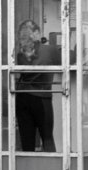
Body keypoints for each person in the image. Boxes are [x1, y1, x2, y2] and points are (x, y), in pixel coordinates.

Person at [15, 19, 59, 152]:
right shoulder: (50, 50)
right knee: (47, 138)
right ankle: (52, 168)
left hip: (22, 97)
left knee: (27, 140)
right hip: (41, 98)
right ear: (37, 33)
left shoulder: (19, 53)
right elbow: (73, 57)